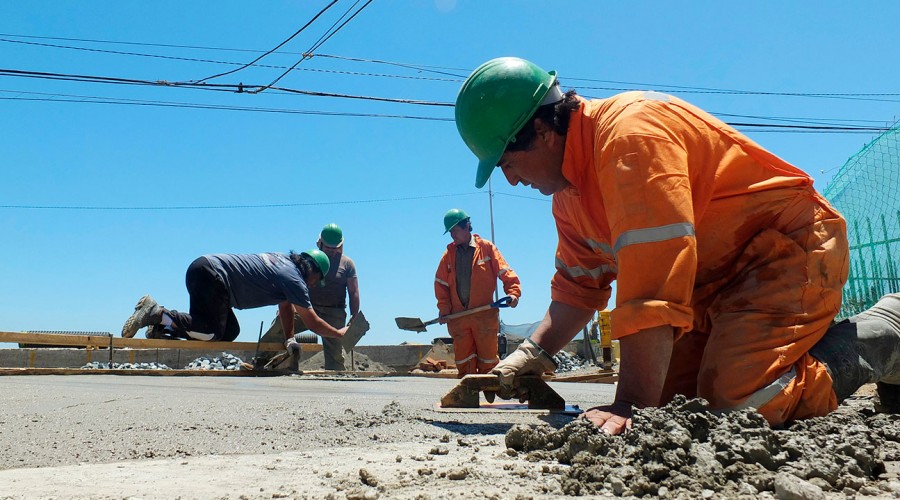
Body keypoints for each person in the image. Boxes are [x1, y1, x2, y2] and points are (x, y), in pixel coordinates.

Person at [453, 56, 900, 434]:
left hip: (784, 251)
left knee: (740, 403)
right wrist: (531, 355)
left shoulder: (630, 138)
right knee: (678, 408)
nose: (510, 178)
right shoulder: (570, 196)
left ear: (542, 132)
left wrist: (628, 403)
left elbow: (655, 279)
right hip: (709, 286)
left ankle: (886, 333)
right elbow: (578, 288)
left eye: (507, 162)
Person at [121, 249, 346, 349]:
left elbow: (286, 306)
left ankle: (164, 328)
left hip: (205, 269)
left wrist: (289, 339)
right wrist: (339, 334)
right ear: (313, 271)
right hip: (212, 277)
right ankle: (156, 313)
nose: (315, 285)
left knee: (229, 332)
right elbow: (311, 321)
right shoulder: (295, 278)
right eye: (317, 280)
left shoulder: (285, 263)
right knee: (211, 333)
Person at [259, 223, 363, 370]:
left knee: (335, 353)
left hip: (334, 312)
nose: (332, 252)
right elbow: (295, 284)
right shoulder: (309, 260)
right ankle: (259, 362)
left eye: (335, 249)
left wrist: (354, 315)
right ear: (320, 243)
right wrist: (289, 307)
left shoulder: (347, 264)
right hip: (307, 308)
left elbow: (354, 292)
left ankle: (336, 378)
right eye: (328, 248)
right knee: (279, 328)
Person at [435, 208, 522, 377]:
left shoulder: (486, 248)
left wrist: (513, 293)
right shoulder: (448, 255)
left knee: (488, 361)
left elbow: (504, 271)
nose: (453, 235)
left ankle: (489, 394)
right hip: (458, 318)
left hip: (484, 316)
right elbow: (441, 285)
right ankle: (468, 396)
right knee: (464, 363)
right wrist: (444, 310)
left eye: (455, 230)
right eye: (450, 232)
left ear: (467, 226)